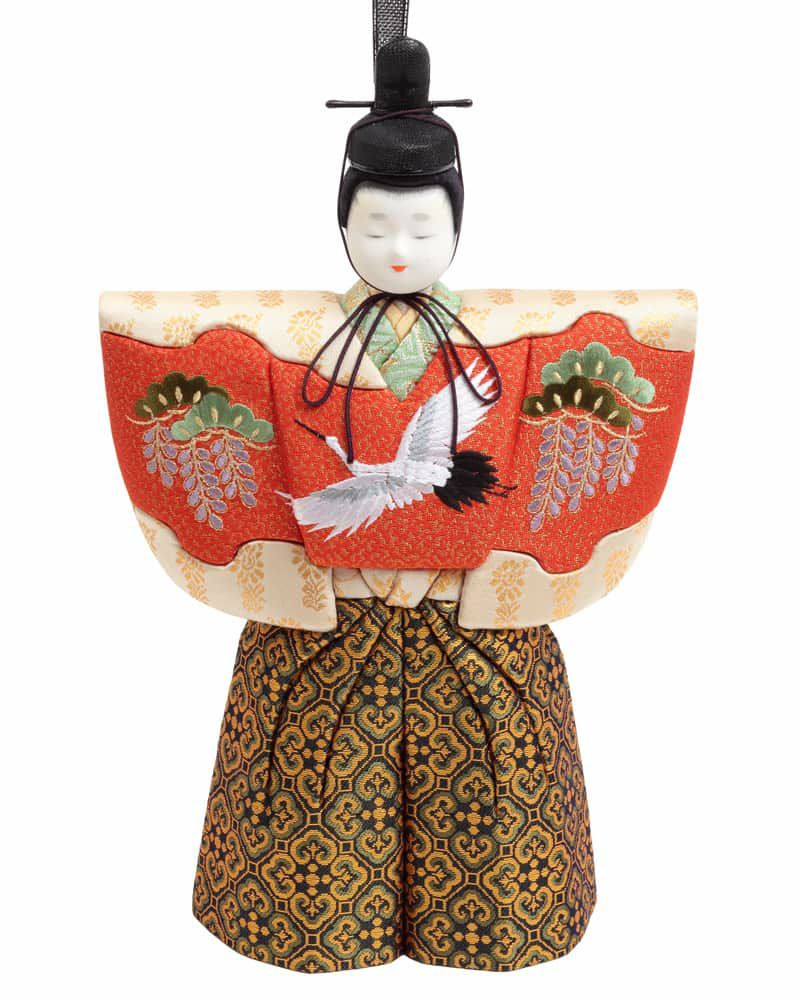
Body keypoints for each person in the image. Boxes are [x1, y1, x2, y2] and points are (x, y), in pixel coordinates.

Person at [100, 30, 695, 975]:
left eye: (424, 228)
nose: (400, 249)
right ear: (342, 224)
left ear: (459, 224)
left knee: (496, 808)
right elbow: (169, 349)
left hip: (475, 623)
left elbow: (629, 354)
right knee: (310, 820)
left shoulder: (516, 335)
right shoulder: (288, 336)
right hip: (327, 626)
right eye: (376, 227)